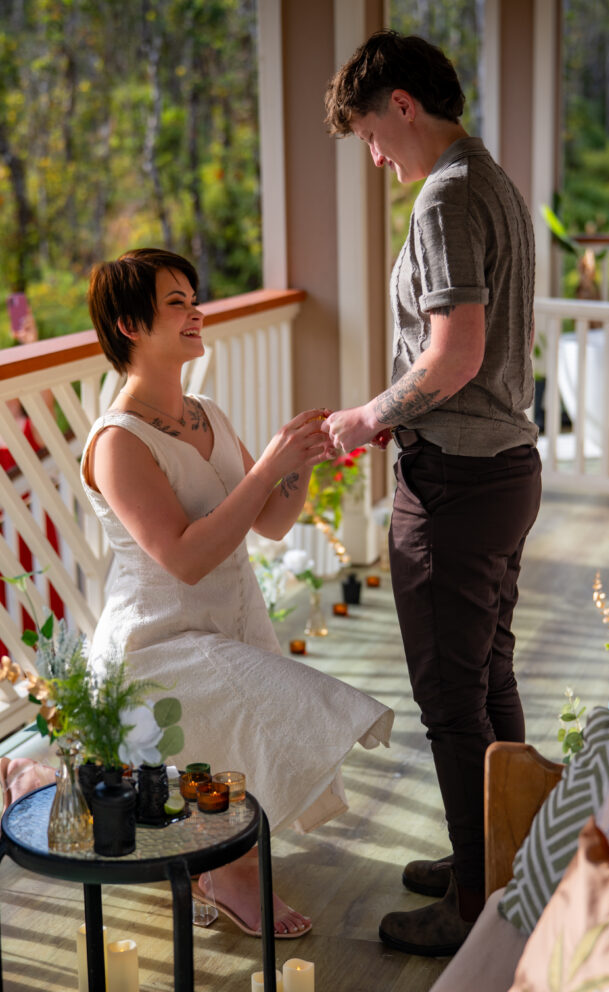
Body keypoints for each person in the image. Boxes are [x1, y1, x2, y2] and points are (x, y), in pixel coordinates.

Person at [80, 248, 393, 939]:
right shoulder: (117, 442)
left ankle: (222, 867)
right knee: (284, 702)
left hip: (228, 620)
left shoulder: (207, 413)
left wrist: (303, 459)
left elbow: (272, 521)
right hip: (156, 642)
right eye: (176, 303)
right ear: (130, 325)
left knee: (249, 735)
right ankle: (227, 873)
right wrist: (270, 464)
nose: (197, 313)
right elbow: (184, 558)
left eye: (194, 298)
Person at [323, 30, 542, 956]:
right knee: (487, 676)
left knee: (452, 696)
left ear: (401, 105)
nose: (374, 155)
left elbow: (452, 355)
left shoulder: (447, 197)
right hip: (501, 471)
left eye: (371, 133)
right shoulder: (490, 178)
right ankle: (500, 863)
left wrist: (366, 417)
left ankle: (472, 912)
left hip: (453, 479)